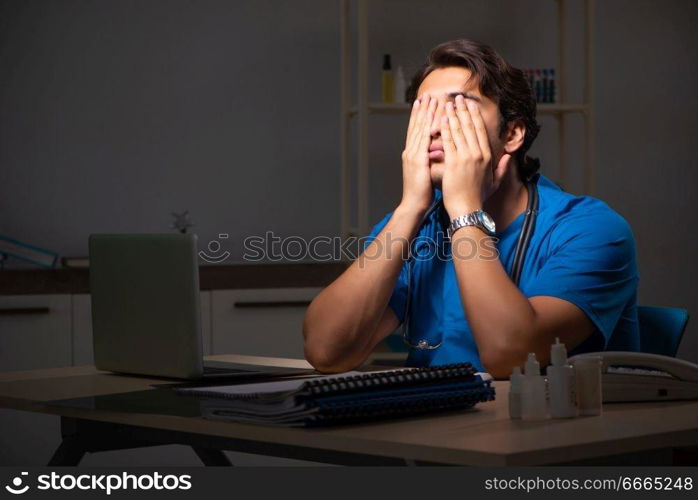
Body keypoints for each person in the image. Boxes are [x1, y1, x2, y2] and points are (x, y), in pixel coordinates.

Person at [303, 39, 639, 378]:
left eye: (458, 109)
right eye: (425, 111)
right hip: (432, 422)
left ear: (512, 133)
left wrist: (465, 210)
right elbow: (327, 351)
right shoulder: (415, 224)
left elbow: (510, 357)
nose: (434, 128)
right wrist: (409, 208)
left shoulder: (591, 229)